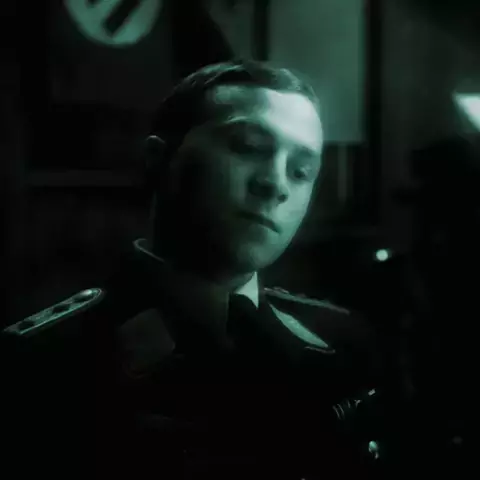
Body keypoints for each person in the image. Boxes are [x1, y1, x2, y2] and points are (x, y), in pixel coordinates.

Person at [1, 60, 382, 479]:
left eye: (301, 171)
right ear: (158, 159)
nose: (276, 184)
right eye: (248, 147)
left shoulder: (346, 348)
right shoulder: (43, 363)